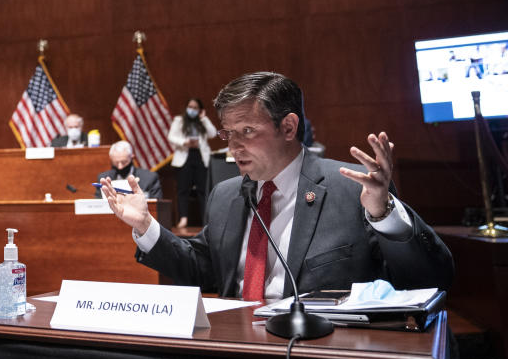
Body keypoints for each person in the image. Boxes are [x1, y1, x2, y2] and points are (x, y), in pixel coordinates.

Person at [101, 72, 454, 302]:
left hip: (321, 357)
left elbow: (429, 280)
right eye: (228, 134)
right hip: (235, 350)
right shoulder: (226, 195)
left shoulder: (351, 187)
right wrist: (146, 228)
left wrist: (384, 213)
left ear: (288, 127)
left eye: (248, 132)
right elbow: (201, 270)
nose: (233, 146)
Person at [168, 98, 217, 228]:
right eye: (190, 107)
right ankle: (183, 219)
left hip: (201, 158)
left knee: (203, 191)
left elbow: (213, 134)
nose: (192, 110)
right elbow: (171, 136)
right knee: (183, 190)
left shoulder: (202, 122)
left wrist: (204, 118)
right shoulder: (179, 121)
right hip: (184, 158)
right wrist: (185, 142)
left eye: (195, 108)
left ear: (199, 110)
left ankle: (205, 220)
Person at [96, 140, 162, 199]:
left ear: (132, 157)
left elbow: (156, 206)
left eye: (124, 162)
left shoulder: (149, 178)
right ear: (111, 159)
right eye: (116, 163)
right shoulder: (103, 178)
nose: (120, 167)